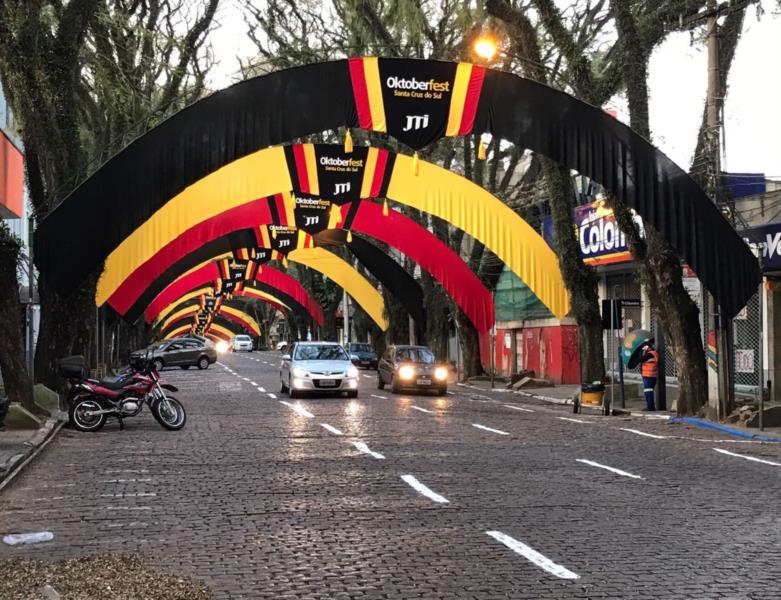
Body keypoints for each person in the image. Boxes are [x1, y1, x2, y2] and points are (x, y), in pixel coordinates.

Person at [640, 341, 659, 411]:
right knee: (648, 392)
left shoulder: (651, 354)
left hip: (649, 376)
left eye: (644, 347)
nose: (643, 348)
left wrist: (642, 351)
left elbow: (641, 359)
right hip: (649, 375)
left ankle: (650, 407)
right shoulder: (650, 354)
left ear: (648, 347)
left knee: (648, 392)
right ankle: (650, 406)